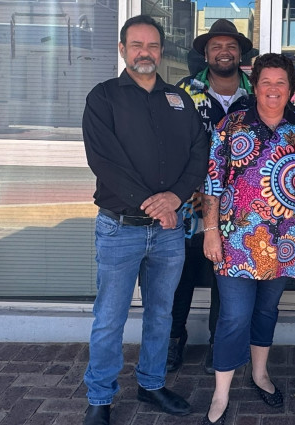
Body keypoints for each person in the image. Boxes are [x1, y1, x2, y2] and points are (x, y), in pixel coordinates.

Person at [80, 15, 208, 424]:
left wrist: (175, 197)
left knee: (161, 314)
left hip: (168, 233)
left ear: (162, 51)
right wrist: (155, 202)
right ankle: (100, 397)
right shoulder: (103, 98)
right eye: (136, 45)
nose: (145, 53)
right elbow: (104, 161)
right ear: (122, 49)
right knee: (109, 319)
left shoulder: (179, 99)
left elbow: (198, 154)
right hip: (120, 228)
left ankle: (152, 385)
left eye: (152, 46)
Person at [200, 53, 295, 425]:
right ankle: (220, 394)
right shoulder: (231, 125)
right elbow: (212, 183)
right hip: (234, 241)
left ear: (292, 88)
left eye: (280, 83)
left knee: (267, 311)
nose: (272, 90)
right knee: (233, 317)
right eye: (266, 82)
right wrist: (211, 230)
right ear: (255, 86)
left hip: (284, 242)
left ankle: (260, 374)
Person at [167, 19, 255, 375]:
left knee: (226, 278)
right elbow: (169, 145)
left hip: (239, 207)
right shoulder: (183, 91)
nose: (224, 52)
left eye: (231, 46)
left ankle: (220, 345)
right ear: (205, 52)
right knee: (180, 275)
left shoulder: (257, 94)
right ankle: (173, 340)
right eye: (216, 46)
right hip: (189, 203)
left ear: (240, 52)